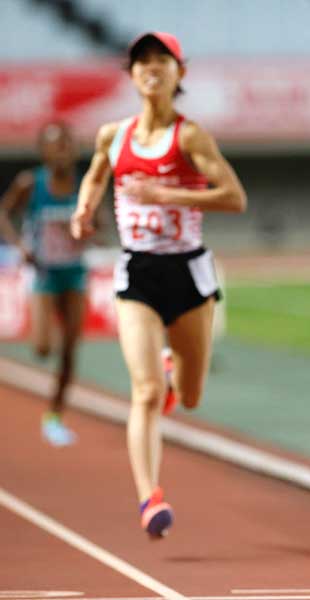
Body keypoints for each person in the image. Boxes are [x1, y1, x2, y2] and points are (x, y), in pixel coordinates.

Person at [70, 32, 247, 539]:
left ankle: (175, 374)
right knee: (144, 392)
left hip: (187, 272)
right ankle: (149, 498)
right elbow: (96, 176)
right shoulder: (113, 135)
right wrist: (85, 208)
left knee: (188, 397)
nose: (151, 68)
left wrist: (162, 193)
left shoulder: (190, 138)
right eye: (142, 61)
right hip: (138, 272)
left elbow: (235, 198)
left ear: (179, 73)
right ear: (131, 75)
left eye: (162, 61)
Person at [0, 122, 87, 447]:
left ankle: (54, 415)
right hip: (44, 274)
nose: (62, 151)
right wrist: (18, 246)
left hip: (74, 272)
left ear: (74, 149)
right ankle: (46, 321)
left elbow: (102, 225)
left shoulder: (83, 185)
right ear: (44, 151)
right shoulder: (30, 183)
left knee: (70, 350)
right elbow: (3, 213)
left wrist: (81, 228)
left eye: (66, 144)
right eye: (55, 145)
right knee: (42, 349)